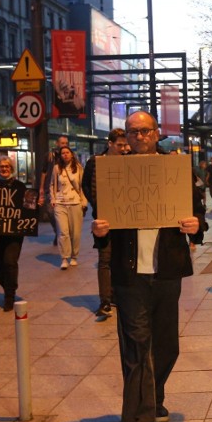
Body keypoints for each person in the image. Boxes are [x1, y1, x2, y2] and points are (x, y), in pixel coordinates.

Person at [92, 110, 198, 422]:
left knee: (166, 345)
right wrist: (100, 231)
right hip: (129, 273)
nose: (138, 136)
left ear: (156, 133)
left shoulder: (176, 170)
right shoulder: (114, 174)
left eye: (145, 131)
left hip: (167, 270)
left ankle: (155, 392)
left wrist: (195, 228)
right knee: (137, 345)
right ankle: (139, 421)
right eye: (132, 132)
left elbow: (197, 216)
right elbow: (103, 222)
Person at [82, 128, 130, 318]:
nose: (124, 148)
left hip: (126, 215)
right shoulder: (95, 162)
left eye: (125, 145)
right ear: (109, 144)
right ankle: (105, 301)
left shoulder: (130, 160)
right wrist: (95, 203)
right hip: (104, 216)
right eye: (120, 145)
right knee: (105, 258)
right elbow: (85, 184)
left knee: (121, 256)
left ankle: (116, 295)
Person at [0, 156, 27, 312]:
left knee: (10, 262)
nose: (4, 169)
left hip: (13, 233)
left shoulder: (20, 186)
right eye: (1, 166)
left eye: (7, 166)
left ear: (12, 169)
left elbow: (27, 207)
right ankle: (7, 286)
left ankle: (10, 294)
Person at [49, 146, 86, 269]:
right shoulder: (56, 168)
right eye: (62, 153)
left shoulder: (79, 168)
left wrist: (84, 201)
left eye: (67, 152)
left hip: (75, 203)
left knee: (75, 233)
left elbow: (82, 186)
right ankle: (64, 258)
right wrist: (53, 199)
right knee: (63, 232)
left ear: (71, 154)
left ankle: (74, 256)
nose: (65, 155)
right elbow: (52, 184)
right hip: (60, 203)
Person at [39, 135, 70, 245]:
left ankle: (62, 234)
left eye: (66, 143)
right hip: (50, 188)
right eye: (62, 143)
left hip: (63, 189)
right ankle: (58, 231)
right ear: (57, 144)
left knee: (62, 213)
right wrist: (42, 188)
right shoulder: (50, 156)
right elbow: (44, 172)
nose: (65, 145)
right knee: (51, 213)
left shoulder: (68, 156)